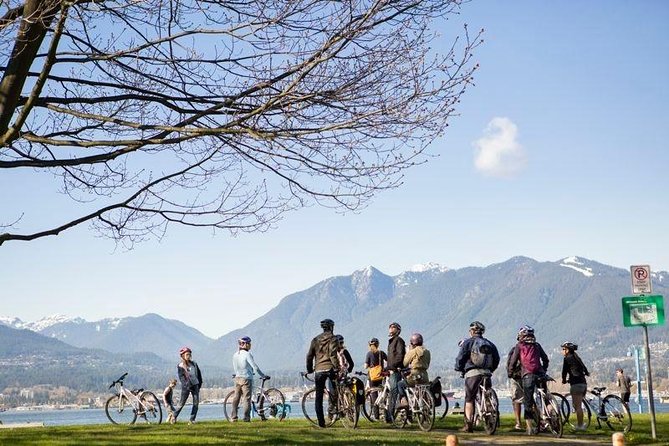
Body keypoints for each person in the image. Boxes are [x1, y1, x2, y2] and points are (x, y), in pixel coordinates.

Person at [455, 321, 500, 433]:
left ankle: (468, 424)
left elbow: (460, 358)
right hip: (487, 373)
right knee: (487, 394)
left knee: (469, 399)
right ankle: (491, 418)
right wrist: (491, 369)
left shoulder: (469, 342)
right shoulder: (489, 343)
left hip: (472, 373)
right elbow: (497, 358)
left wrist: (459, 368)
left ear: (471, 331)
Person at [507, 325, 549, 436]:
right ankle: (551, 416)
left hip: (527, 375)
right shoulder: (537, 345)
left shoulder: (519, 346)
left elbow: (513, 361)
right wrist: (543, 369)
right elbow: (545, 359)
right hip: (540, 374)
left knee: (528, 402)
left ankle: (529, 428)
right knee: (545, 396)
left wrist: (510, 373)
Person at [305, 318, 339, 428]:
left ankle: (321, 423)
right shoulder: (333, 338)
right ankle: (334, 409)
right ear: (331, 327)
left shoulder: (315, 340)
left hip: (318, 370)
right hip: (329, 369)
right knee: (335, 391)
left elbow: (309, 356)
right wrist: (337, 367)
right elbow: (333, 354)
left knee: (318, 397)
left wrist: (310, 369)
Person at [231, 336, 268, 422]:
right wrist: (262, 375)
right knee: (247, 399)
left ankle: (233, 417)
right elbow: (254, 366)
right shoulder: (247, 354)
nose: (250, 345)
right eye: (249, 343)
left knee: (236, 398)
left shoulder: (235, 355)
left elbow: (235, 368)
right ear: (245, 344)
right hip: (246, 378)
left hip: (237, 378)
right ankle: (246, 418)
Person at [561, 341, 590, 431]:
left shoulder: (567, 358)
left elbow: (564, 371)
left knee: (577, 407)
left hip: (576, 384)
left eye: (563, 349)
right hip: (583, 384)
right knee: (578, 405)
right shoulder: (577, 357)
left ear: (567, 350)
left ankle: (580, 426)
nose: (562, 351)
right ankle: (581, 423)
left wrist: (563, 380)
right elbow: (585, 369)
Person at [397, 333, 431, 408]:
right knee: (421, 389)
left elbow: (405, 363)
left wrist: (409, 351)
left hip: (415, 375)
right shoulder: (427, 352)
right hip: (425, 376)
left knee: (400, 384)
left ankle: (404, 401)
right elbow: (428, 363)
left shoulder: (413, 351)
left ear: (412, 342)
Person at [174, 346, 203, 424]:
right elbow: (181, 377)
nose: (189, 356)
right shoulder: (180, 366)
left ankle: (192, 419)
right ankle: (173, 417)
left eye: (189, 354)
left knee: (196, 403)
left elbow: (199, 375)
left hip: (195, 385)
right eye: (187, 354)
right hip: (186, 387)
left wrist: (199, 384)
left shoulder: (194, 364)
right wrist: (186, 385)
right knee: (181, 403)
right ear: (183, 356)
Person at [385, 321, 406, 423]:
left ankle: (390, 416)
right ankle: (388, 414)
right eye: (390, 327)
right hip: (390, 370)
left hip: (395, 370)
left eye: (393, 327)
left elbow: (400, 355)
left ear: (398, 330)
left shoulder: (399, 341)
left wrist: (393, 366)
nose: (391, 329)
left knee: (393, 392)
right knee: (391, 392)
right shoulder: (391, 341)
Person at [364, 337, 387, 419]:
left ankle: (376, 416)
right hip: (381, 376)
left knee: (374, 395)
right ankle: (386, 413)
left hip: (372, 377)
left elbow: (366, 366)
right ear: (378, 345)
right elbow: (388, 361)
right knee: (383, 394)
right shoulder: (381, 353)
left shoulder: (369, 354)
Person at [506, 338, 524, 430]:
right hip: (529, 375)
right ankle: (538, 422)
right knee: (531, 400)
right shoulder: (534, 347)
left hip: (516, 377)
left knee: (516, 400)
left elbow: (511, 363)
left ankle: (518, 423)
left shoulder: (515, 349)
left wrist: (510, 373)